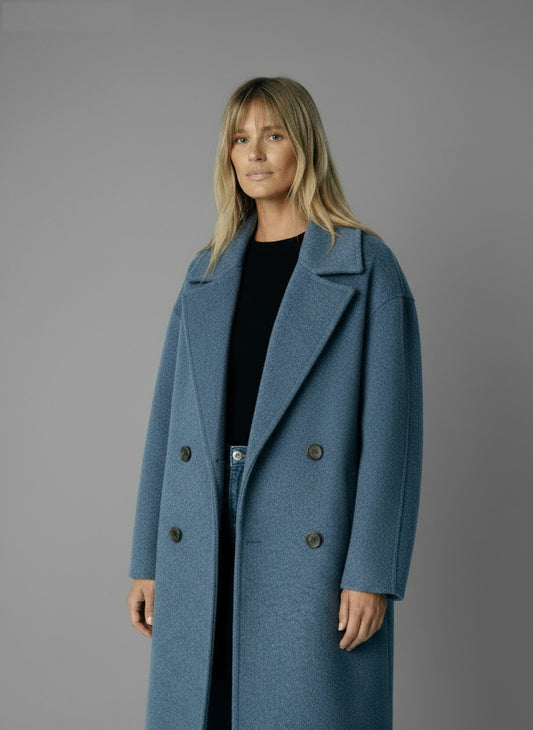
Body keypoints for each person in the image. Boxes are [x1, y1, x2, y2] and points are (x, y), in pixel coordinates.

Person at [126, 76, 423, 730]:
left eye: (273, 135)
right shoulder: (205, 272)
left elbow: (391, 440)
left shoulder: (365, 267)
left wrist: (371, 571)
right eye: (240, 139)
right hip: (202, 516)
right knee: (207, 705)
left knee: (297, 706)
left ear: (304, 146)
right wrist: (148, 558)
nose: (254, 153)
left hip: (309, 520)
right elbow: (167, 424)